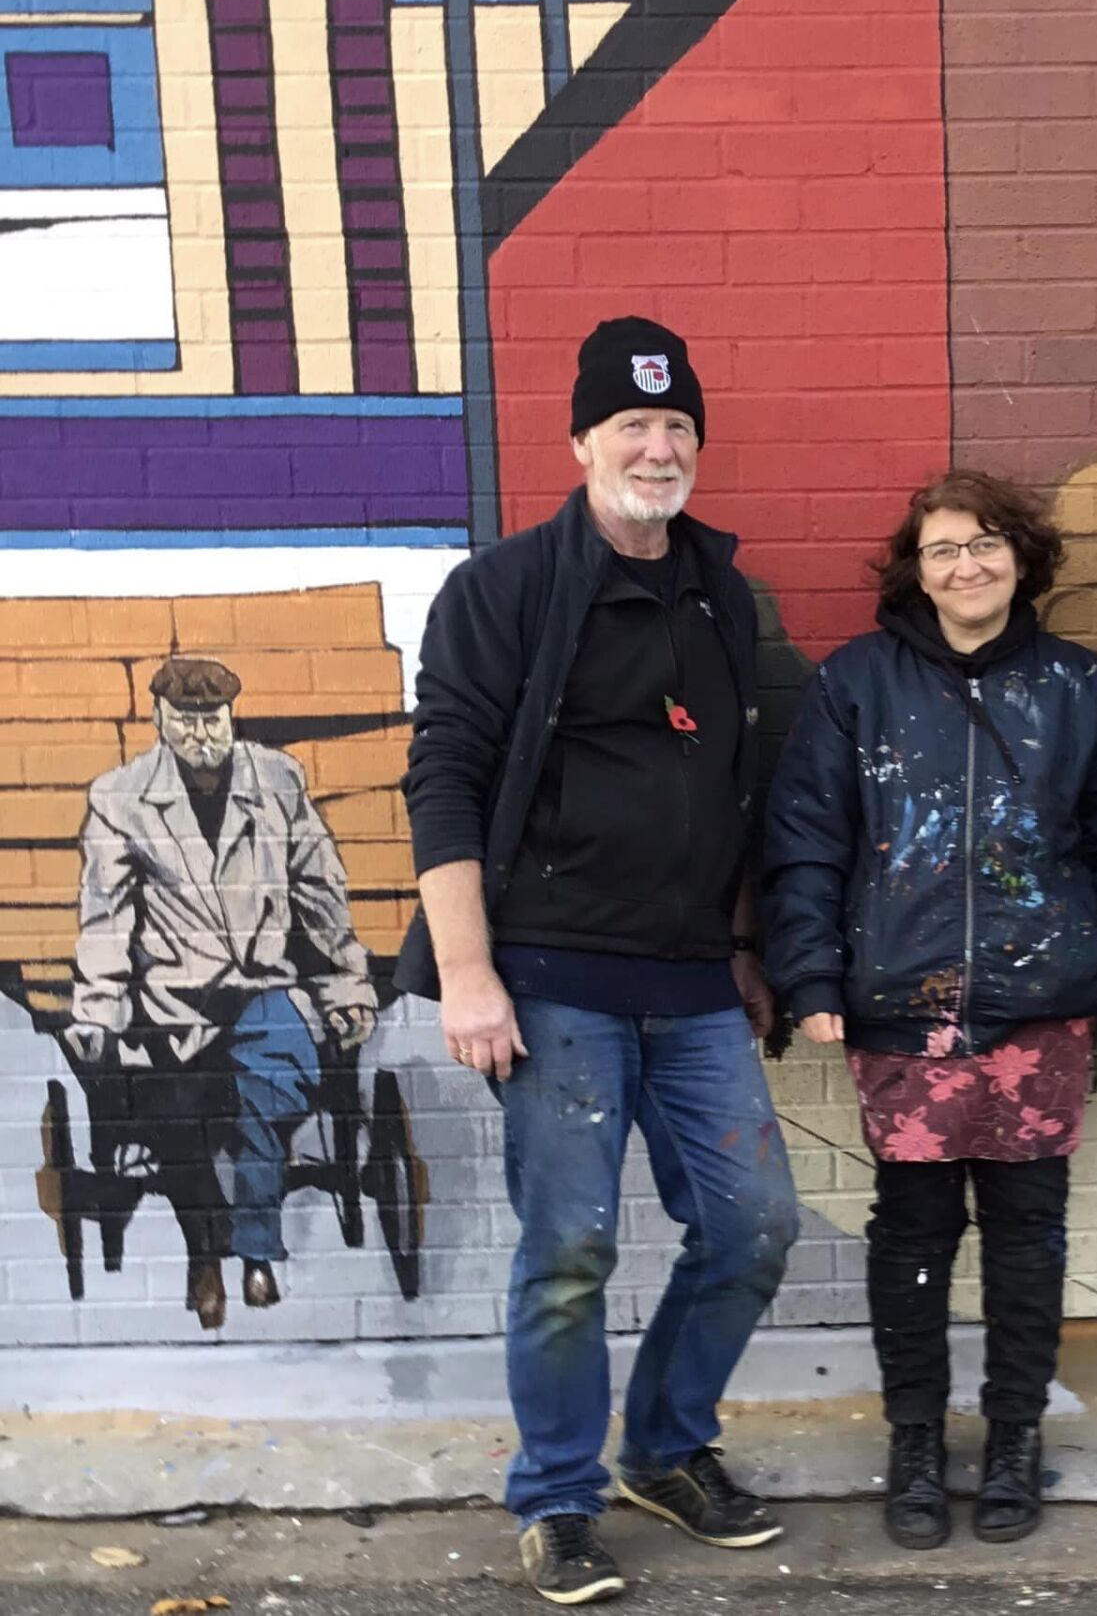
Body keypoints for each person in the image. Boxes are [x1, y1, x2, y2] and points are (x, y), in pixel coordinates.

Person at [399, 317, 801, 1607]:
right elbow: (444, 780)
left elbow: (737, 782)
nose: (658, 445)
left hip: (691, 979)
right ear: (579, 442)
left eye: (678, 425)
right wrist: (468, 973)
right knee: (567, 1245)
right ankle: (560, 1496)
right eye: (631, 424)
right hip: (554, 976)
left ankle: (668, 1450)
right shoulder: (502, 589)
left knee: (751, 1223)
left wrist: (742, 944)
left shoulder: (722, 593)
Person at [762, 470, 1097, 1551]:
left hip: (1042, 1011)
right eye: (946, 547)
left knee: (1029, 1234)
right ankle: (912, 1444)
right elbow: (808, 836)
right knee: (912, 1231)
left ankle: (1011, 1437)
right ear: (917, 567)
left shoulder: (1081, 688)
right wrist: (808, 977)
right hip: (902, 1013)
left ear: (1024, 557)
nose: (969, 564)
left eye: (990, 542)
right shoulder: (856, 683)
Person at [69, 654, 377, 1330]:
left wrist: (347, 986)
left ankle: (257, 1253)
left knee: (271, 1093)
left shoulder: (278, 781)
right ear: (160, 718)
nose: (202, 731)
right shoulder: (120, 798)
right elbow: (106, 917)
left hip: (263, 987)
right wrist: (98, 1011)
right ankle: (204, 1253)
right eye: (186, 718)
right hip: (173, 1001)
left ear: (232, 715)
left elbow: (321, 893)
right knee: (176, 1117)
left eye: (213, 716)